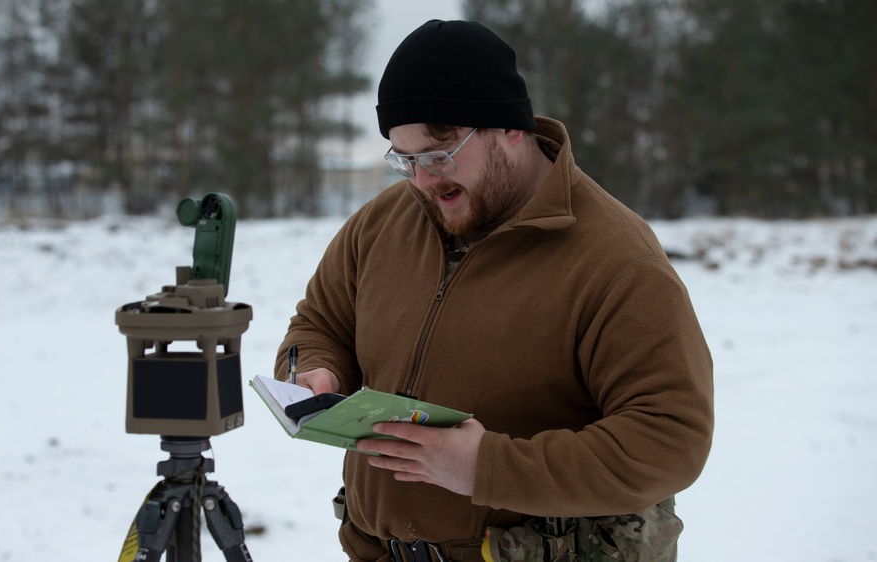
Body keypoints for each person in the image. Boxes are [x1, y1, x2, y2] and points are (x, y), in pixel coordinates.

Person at [274, 19, 713, 562]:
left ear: (509, 127)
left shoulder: (615, 258)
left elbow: (670, 439)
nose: (424, 181)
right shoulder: (383, 222)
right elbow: (320, 323)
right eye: (404, 160)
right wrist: (316, 369)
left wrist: (487, 468)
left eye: (438, 155)